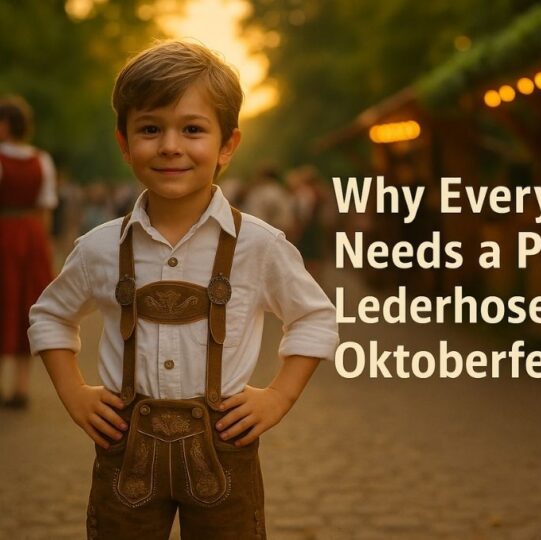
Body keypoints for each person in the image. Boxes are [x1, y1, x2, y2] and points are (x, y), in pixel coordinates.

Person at [28, 40, 338, 539]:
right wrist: (73, 392)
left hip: (224, 447)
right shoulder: (100, 248)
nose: (170, 145)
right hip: (124, 449)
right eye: (150, 129)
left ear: (228, 145)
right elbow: (49, 316)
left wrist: (278, 397)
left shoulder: (258, 245)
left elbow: (315, 317)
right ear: (125, 143)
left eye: (192, 129)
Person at [0, 95, 57, 409]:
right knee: (26, 305)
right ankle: (20, 387)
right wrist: (42, 245)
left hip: (4, 233)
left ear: (5, 125)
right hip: (32, 235)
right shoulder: (42, 160)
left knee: (4, 301)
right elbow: (45, 206)